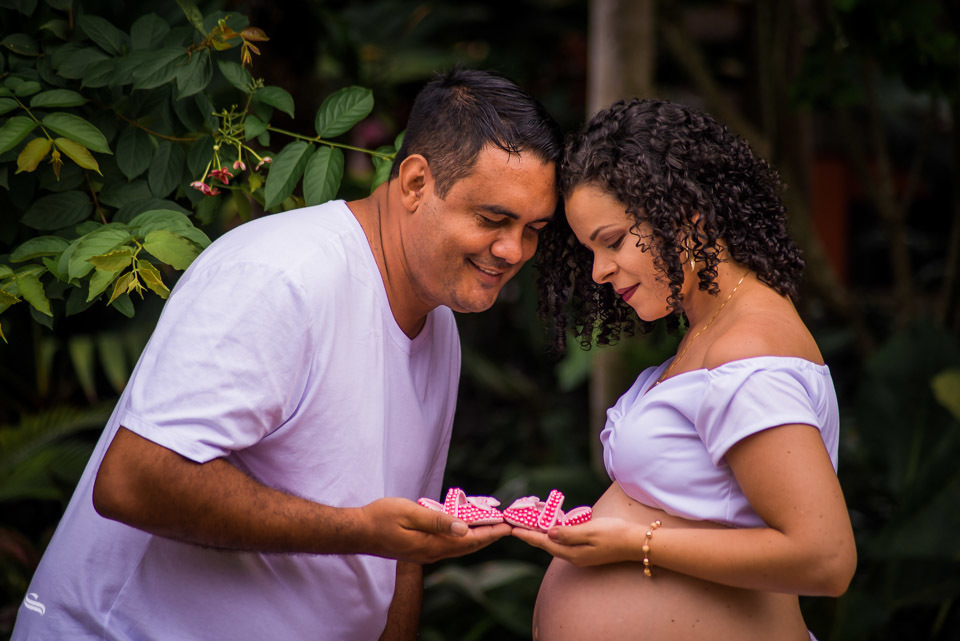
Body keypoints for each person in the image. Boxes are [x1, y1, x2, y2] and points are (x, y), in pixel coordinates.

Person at [13, 68, 560, 641]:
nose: (513, 250)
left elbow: (401, 557)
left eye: (533, 229)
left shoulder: (441, 322)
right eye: (494, 219)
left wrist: (378, 541)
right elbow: (132, 479)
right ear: (416, 183)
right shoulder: (283, 275)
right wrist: (357, 532)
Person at [514, 98, 856, 641]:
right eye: (589, 252)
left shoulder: (748, 350)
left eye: (613, 242)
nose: (600, 272)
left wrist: (633, 544)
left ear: (686, 216)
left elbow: (825, 557)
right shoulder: (712, 333)